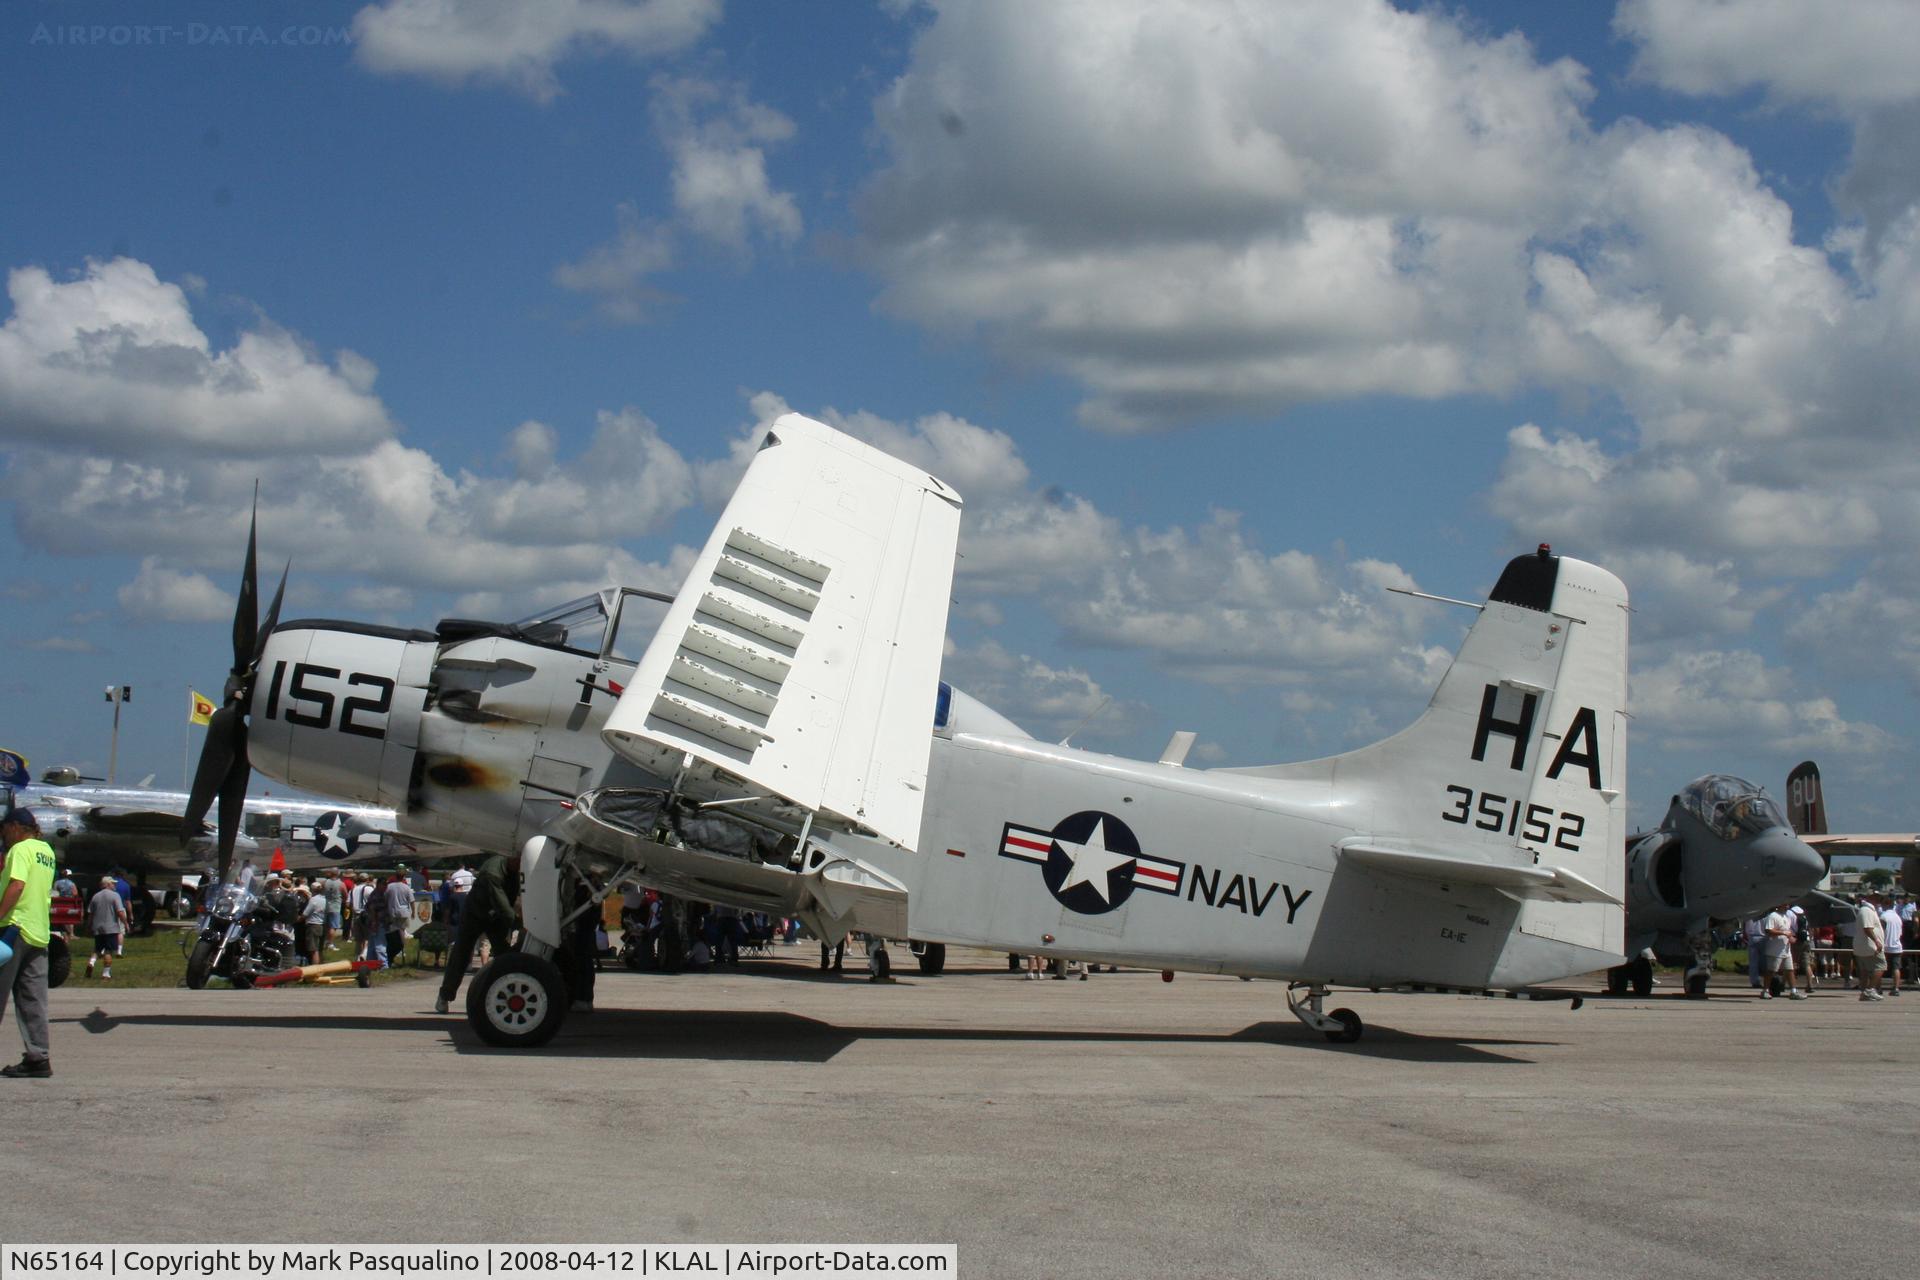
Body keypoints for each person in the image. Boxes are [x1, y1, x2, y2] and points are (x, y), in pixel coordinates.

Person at [0, 808, 56, 1077]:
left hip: (13, 930)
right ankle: (38, 1058)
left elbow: (17, 885)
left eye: (4, 828)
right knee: (33, 999)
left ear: (15, 827)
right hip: (39, 933)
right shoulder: (47, 852)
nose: (2, 834)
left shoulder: (20, 850)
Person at [434, 852, 519, 1014]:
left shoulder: (513, 871)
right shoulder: (493, 873)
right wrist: (520, 923)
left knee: (504, 955)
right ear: (515, 858)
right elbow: (504, 907)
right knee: (462, 954)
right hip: (475, 915)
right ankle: (445, 996)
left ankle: (506, 995)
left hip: (494, 916)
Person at [85, 875, 127, 980]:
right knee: (108, 951)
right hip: (111, 928)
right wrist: (125, 923)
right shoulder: (115, 896)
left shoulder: (95, 896)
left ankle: (91, 962)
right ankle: (106, 974)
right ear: (108, 884)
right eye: (113, 883)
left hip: (98, 928)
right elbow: (120, 912)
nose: (114, 885)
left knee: (97, 949)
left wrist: (89, 926)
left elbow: (90, 914)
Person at [1759, 904, 1805, 1000]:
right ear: (1779, 905)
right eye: (1785, 905)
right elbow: (1768, 930)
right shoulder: (1773, 916)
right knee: (1772, 971)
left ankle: (1793, 991)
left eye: (1788, 905)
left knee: (1790, 969)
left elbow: (1787, 931)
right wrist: (1783, 933)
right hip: (1775, 949)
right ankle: (1765, 990)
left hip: (1785, 949)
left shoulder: (1786, 917)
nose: (1787, 907)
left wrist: (1790, 937)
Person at [1852, 894, 1886, 1002]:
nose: (1879, 901)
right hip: (1870, 946)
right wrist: (1876, 941)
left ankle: (1864, 993)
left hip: (1865, 945)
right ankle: (1870, 989)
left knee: (1865, 970)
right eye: (1877, 899)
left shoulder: (1868, 910)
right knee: (1881, 966)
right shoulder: (1867, 910)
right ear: (1871, 899)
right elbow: (1867, 928)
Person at [383, 871, 414, 967]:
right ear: (403, 877)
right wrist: (413, 912)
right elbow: (412, 901)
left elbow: (385, 899)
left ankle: (392, 948)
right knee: (402, 931)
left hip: (392, 911)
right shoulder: (406, 887)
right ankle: (401, 949)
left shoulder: (389, 887)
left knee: (391, 932)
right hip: (403, 912)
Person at [1878, 896, 1903, 997]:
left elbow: (1881, 932)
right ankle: (1896, 988)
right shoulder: (1898, 917)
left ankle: (1878, 988)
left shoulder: (1883, 916)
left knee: (1879, 967)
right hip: (1897, 946)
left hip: (1885, 946)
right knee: (1896, 968)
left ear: (1886, 904)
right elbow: (1900, 933)